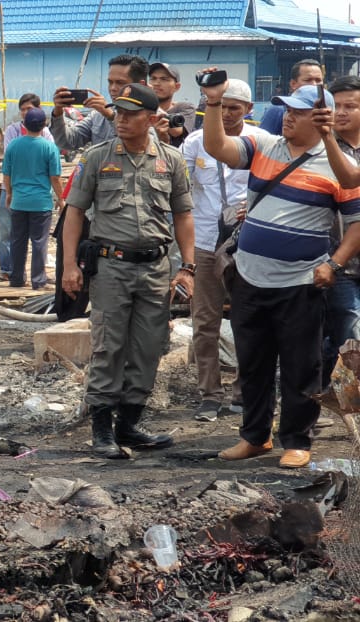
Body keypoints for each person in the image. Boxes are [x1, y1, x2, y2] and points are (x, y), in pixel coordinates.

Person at [203, 72, 360, 468]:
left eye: (298, 113)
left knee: (300, 365)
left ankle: (297, 440)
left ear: (319, 118)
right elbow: (217, 147)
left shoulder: (338, 164)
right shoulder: (263, 144)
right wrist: (212, 102)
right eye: (285, 110)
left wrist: (334, 264)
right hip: (250, 276)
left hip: (301, 281)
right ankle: (255, 437)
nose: (287, 118)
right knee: (252, 363)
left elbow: (357, 223)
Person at [61, 83, 195, 459]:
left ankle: (130, 424)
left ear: (152, 119)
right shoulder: (97, 157)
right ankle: (102, 428)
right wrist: (69, 265)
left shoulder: (171, 160)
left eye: (130, 114)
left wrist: (187, 268)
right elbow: (74, 213)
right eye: (117, 112)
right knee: (108, 346)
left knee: (148, 347)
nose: (120, 119)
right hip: (111, 268)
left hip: (154, 269)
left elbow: (183, 216)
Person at [180, 78, 263, 422]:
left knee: (248, 320)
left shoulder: (259, 143)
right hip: (204, 242)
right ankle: (209, 394)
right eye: (221, 106)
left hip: (246, 244)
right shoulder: (195, 143)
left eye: (235, 107)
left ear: (248, 110)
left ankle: (244, 392)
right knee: (205, 321)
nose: (227, 113)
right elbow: (181, 190)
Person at [49, 54, 150, 321]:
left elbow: (143, 147)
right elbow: (67, 140)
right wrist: (58, 113)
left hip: (123, 220)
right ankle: (67, 325)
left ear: (140, 84)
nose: (113, 88)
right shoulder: (96, 116)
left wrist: (110, 115)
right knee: (71, 275)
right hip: (88, 210)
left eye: (121, 82)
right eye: (110, 82)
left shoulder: (150, 115)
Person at [318, 76, 360, 390]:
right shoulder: (316, 146)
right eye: (337, 106)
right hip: (335, 259)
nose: (342, 112)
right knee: (349, 333)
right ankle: (346, 404)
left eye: (351, 106)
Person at [2, 108, 62, 289]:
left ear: (24, 125)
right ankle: (38, 281)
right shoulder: (49, 147)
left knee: (17, 241)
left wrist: (10, 194)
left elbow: (6, 174)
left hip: (19, 202)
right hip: (41, 203)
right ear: (44, 125)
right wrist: (61, 198)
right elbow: (55, 177)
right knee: (39, 242)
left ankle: (17, 278)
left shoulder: (13, 145)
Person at [260, 59, 326, 135]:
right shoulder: (277, 111)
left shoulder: (326, 111)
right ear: (293, 84)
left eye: (318, 80)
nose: (314, 84)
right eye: (308, 80)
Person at [147, 62, 195, 148]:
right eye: (153, 78)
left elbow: (176, 131)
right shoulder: (140, 108)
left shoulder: (184, 108)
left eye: (164, 79)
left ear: (177, 87)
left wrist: (150, 102)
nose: (157, 83)